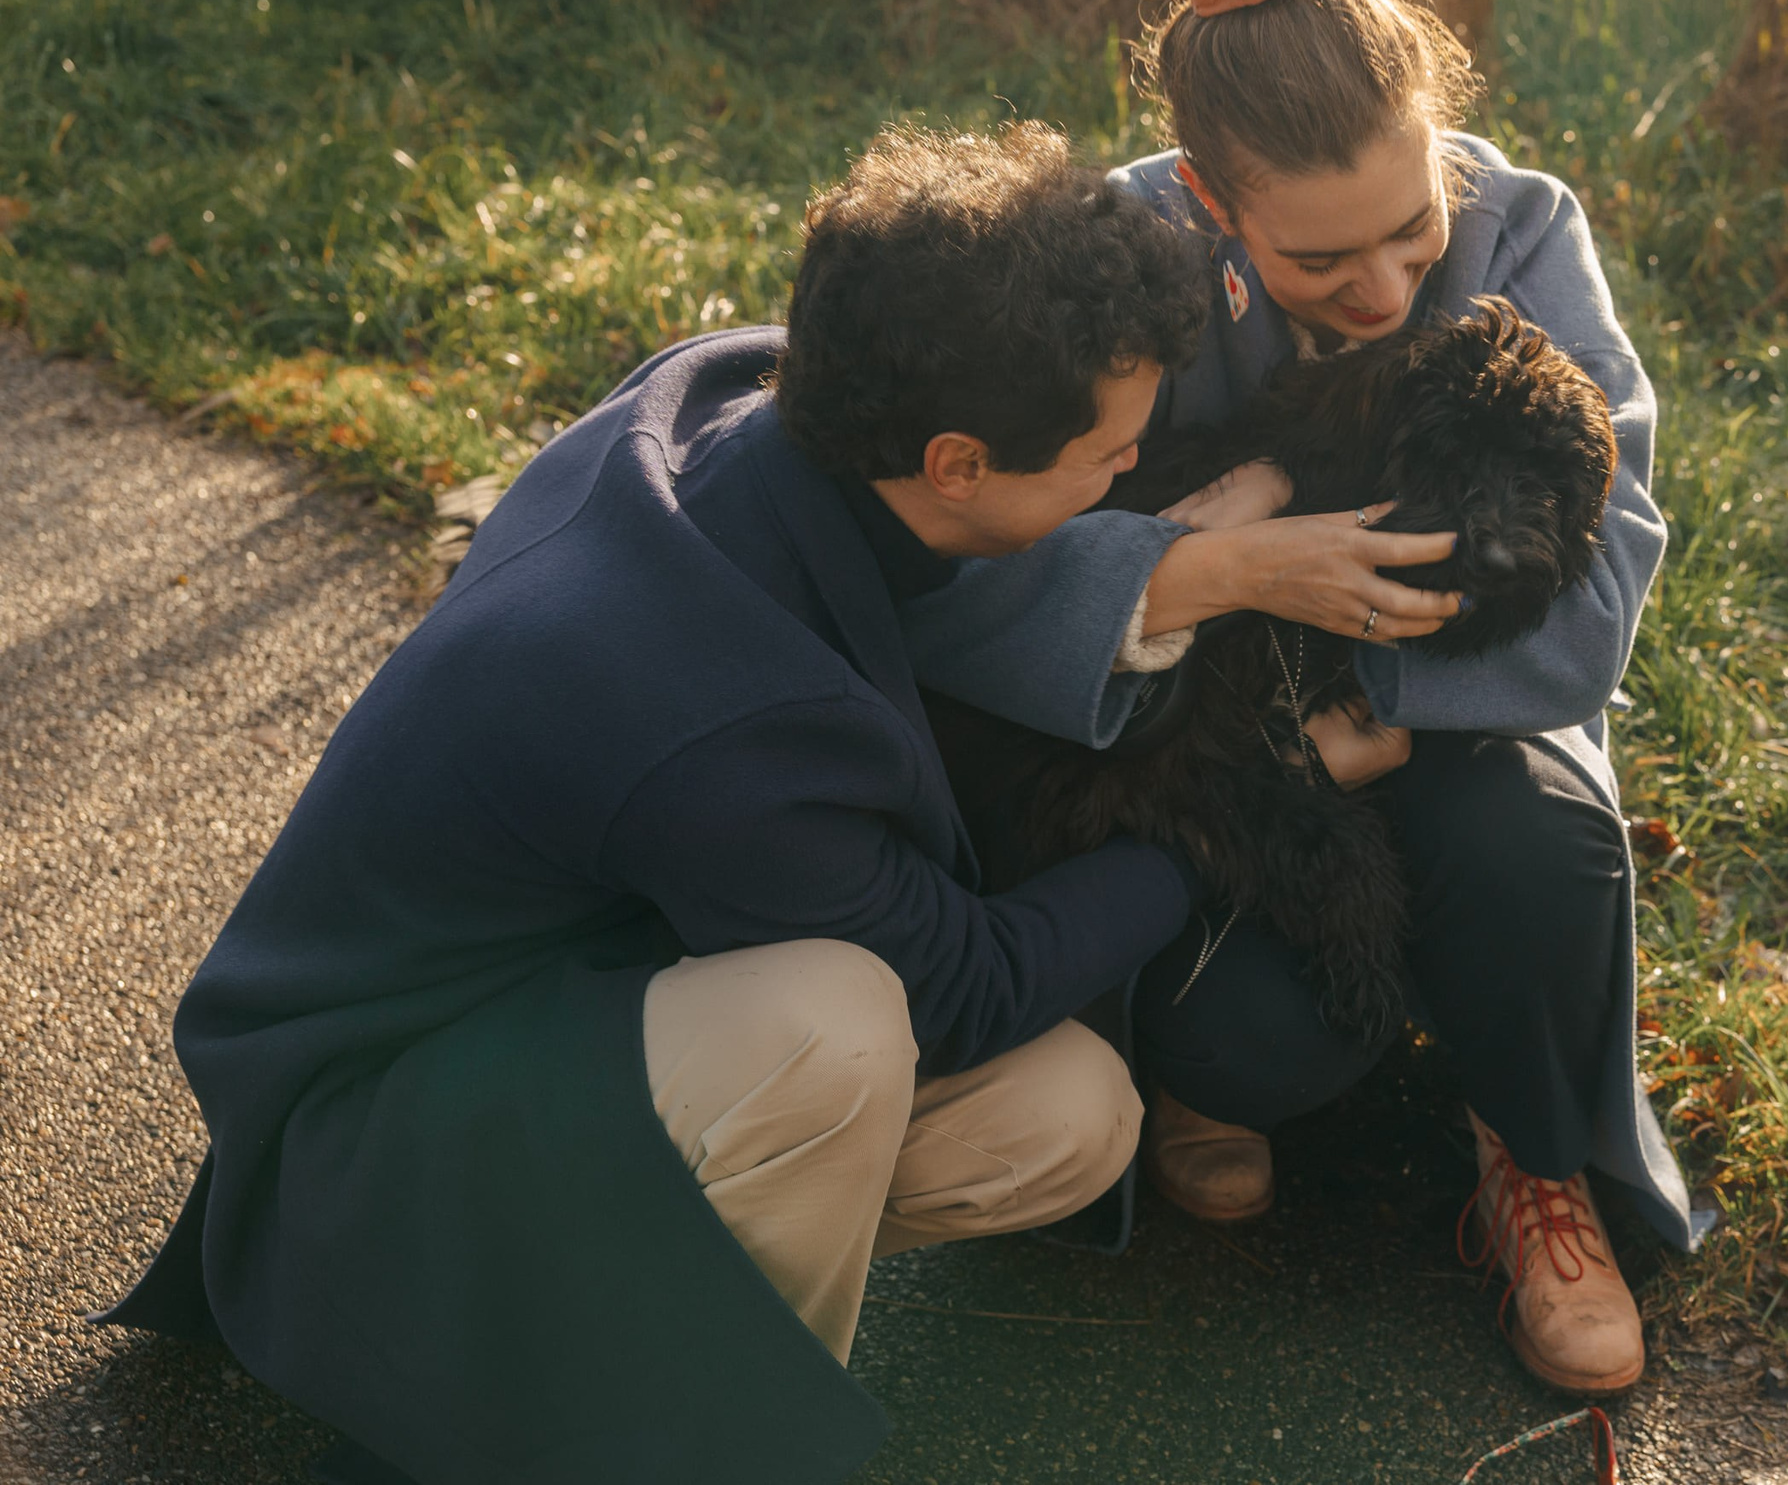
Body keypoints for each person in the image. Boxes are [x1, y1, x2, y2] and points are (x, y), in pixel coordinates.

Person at [99, 125, 1214, 1484]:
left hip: (560, 1011)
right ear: (960, 465)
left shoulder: (752, 392)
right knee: (839, 1031)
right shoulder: (723, 711)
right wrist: (1224, 825)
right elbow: (969, 984)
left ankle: (586, 1349)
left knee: (1068, 1114)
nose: (1132, 478)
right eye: (1110, 458)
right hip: (363, 1144)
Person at [900, 0, 1706, 1396]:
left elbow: (1597, 598)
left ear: (1442, 146)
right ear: (1206, 200)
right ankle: (1209, 1076)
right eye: (1320, 261)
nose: (1393, 293)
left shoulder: (1528, 231)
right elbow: (966, 565)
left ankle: (1534, 1157)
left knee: (1540, 846)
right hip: (1186, 744)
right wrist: (1207, 574)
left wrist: (1362, 726)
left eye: (1416, 231)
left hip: (1453, 724)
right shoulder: (1110, 248)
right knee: (1254, 1048)